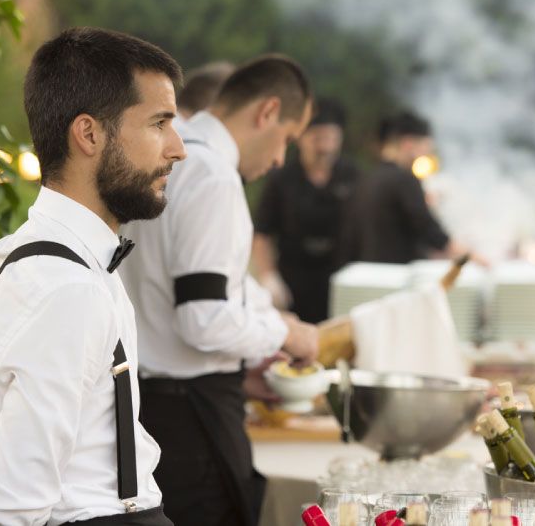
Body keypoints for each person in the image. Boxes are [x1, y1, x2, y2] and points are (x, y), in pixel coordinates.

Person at [0, 27, 185, 526]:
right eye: (159, 123)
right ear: (88, 134)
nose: (177, 148)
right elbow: (11, 506)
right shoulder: (64, 287)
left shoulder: (69, 263)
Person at [119, 55, 319, 526]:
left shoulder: (165, 154)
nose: (279, 159)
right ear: (267, 112)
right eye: (287, 140)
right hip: (192, 422)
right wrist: (285, 334)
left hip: (152, 406)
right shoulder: (211, 175)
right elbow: (202, 318)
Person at [251, 98, 359, 323]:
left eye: (331, 138)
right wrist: (268, 276)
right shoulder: (281, 178)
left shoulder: (352, 175)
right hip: (294, 278)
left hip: (340, 276)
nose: (324, 147)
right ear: (300, 137)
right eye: (317, 138)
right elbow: (262, 232)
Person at [344, 111, 476, 264]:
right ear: (408, 144)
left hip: (370, 270)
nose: (428, 155)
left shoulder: (366, 178)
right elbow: (428, 229)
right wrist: (468, 256)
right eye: (426, 148)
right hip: (397, 273)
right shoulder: (404, 179)